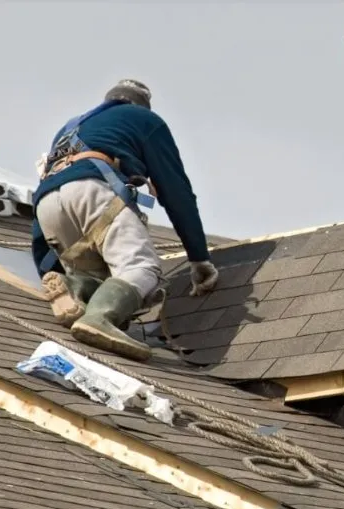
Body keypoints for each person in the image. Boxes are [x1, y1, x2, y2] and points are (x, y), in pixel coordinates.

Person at [31, 79, 219, 361]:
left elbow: (50, 184)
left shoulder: (69, 128)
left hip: (45, 203)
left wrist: (44, 262)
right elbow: (175, 190)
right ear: (141, 105)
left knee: (101, 273)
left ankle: (75, 287)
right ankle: (99, 318)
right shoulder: (144, 119)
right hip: (91, 187)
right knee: (141, 268)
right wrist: (199, 257)